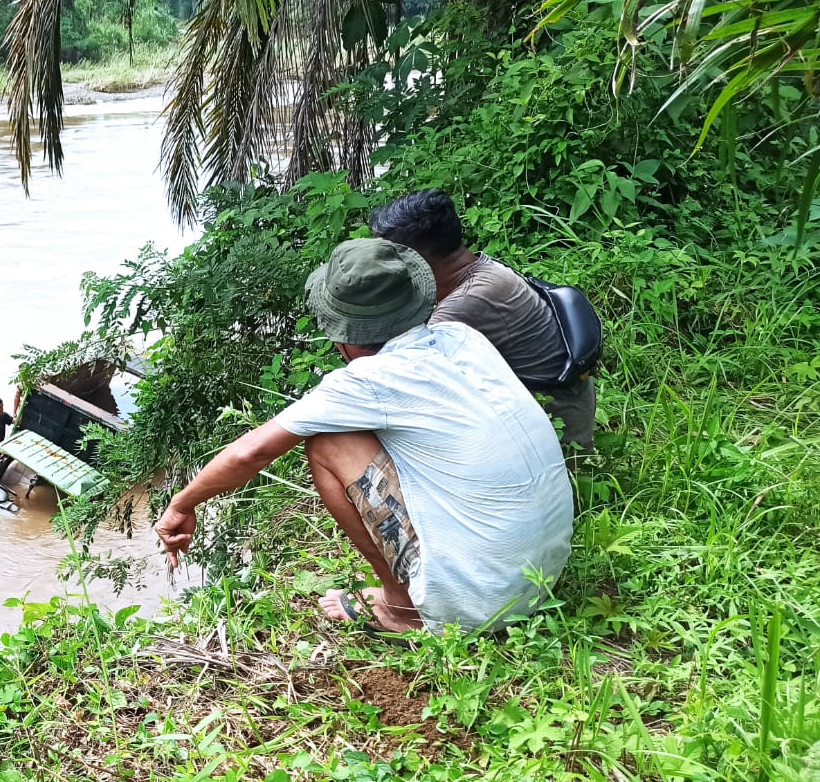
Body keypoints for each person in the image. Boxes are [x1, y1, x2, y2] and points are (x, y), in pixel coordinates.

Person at [155, 238, 573, 634]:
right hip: (542, 578)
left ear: (341, 335)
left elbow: (251, 453)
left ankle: (401, 608)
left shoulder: (368, 381)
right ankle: (427, 587)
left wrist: (181, 504)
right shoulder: (462, 337)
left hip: (479, 603)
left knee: (328, 442)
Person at [370, 189, 596, 450]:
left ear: (415, 260)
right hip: (563, 412)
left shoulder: (462, 307)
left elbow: (404, 389)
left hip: (558, 441)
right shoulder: (487, 269)